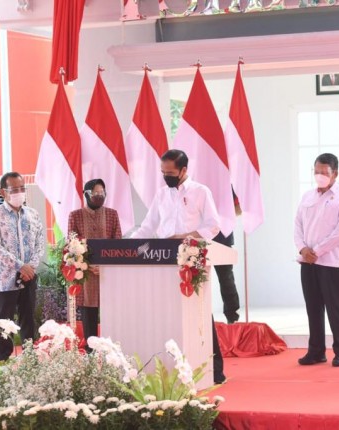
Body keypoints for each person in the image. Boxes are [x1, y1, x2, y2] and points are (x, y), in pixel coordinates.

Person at [131, 149, 225, 383]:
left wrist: (187, 236)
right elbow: (148, 226)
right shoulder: (162, 194)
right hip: (162, 261)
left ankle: (215, 369)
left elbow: (213, 225)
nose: (166, 176)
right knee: (168, 312)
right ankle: (171, 368)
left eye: (170, 173)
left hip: (191, 259)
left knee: (199, 313)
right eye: (163, 172)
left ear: (184, 170)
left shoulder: (200, 191)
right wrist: (127, 246)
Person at [294, 153, 339, 367]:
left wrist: (317, 251)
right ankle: (316, 350)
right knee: (313, 307)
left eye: (324, 172)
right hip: (307, 261)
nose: (319, 175)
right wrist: (303, 249)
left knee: (336, 307)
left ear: (335, 173)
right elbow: (298, 225)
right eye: (316, 171)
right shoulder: (307, 196)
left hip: (331, 262)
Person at [0, 172, 45, 362]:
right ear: (3, 192)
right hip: (5, 279)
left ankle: (30, 359)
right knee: (3, 323)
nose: (20, 193)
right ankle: (2, 361)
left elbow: (40, 243)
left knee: (28, 320)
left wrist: (31, 267)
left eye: (22, 188)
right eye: (14, 189)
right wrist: (20, 266)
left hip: (29, 277)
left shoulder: (33, 215)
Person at [68, 179, 122, 348]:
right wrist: (87, 265)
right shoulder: (75, 215)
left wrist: (106, 266)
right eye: (95, 193)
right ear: (86, 194)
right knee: (89, 318)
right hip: (85, 275)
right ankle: (91, 355)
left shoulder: (112, 214)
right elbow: (72, 244)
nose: (99, 196)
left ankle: (110, 354)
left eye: (102, 193)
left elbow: (118, 244)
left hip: (108, 275)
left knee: (111, 317)